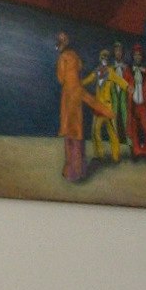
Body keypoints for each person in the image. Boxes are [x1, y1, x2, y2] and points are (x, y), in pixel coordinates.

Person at [49, 33, 85, 183]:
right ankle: (79, 170)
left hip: (68, 96)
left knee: (69, 133)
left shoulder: (62, 58)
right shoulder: (75, 56)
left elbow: (60, 78)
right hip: (77, 94)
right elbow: (80, 67)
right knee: (77, 132)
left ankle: (71, 171)